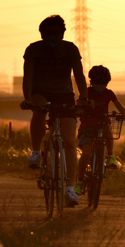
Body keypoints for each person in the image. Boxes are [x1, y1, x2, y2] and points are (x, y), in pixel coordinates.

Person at [22, 15, 87, 206]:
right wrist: (27, 99)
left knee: (68, 141)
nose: (52, 37)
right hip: (40, 92)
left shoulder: (70, 49)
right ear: (41, 34)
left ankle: (69, 189)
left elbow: (79, 75)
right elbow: (28, 77)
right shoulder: (33, 49)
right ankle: (35, 152)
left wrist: (84, 98)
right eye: (47, 34)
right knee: (39, 111)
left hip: (64, 95)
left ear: (62, 34)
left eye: (55, 34)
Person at [73, 65, 125, 194]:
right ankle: (80, 181)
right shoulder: (86, 93)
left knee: (108, 131)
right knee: (86, 153)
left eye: (102, 83)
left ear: (107, 83)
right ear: (91, 82)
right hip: (87, 128)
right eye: (97, 83)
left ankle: (110, 156)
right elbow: (79, 104)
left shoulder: (109, 93)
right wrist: (80, 110)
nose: (100, 86)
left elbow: (119, 105)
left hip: (102, 124)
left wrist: (124, 113)